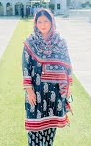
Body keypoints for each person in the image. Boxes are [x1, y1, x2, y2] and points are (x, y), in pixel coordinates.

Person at [22, 9, 73, 145]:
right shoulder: (30, 42)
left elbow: (68, 66)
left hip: (55, 93)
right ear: (35, 23)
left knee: (49, 135)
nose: (43, 24)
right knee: (34, 134)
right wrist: (29, 91)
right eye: (39, 22)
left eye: (46, 21)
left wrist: (68, 88)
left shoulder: (60, 42)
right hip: (36, 93)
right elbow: (25, 67)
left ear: (52, 22)